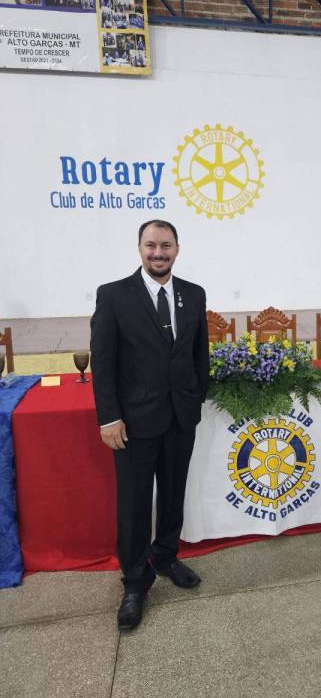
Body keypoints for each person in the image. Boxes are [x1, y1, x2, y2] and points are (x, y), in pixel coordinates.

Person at [90, 220, 209, 631]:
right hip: (133, 422)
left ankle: (165, 556)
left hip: (181, 417)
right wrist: (109, 416)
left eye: (166, 245)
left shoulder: (194, 294)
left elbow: (198, 353)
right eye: (151, 245)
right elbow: (103, 362)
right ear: (140, 248)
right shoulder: (113, 295)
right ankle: (135, 582)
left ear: (177, 248)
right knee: (135, 504)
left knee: (173, 495)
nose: (159, 253)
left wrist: (196, 396)